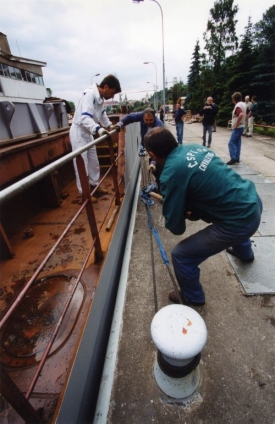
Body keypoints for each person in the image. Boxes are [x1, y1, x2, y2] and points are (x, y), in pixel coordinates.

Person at [143, 127, 262, 306]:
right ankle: (245, 253)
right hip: (252, 200)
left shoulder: (170, 174)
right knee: (226, 210)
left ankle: (192, 296)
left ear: (152, 153)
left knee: (181, 255)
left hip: (240, 221)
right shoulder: (195, 148)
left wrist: (175, 207)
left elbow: (176, 227)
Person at [70, 74, 121, 202]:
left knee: (94, 162)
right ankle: (84, 194)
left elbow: (102, 116)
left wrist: (110, 126)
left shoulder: (100, 99)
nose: (112, 96)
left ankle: (94, 186)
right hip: (79, 132)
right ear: (106, 86)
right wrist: (98, 129)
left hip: (88, 133)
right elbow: (85, 118)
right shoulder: (89, 96)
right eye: (113, 93)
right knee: (82, 164)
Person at [115, 108, 163, 187]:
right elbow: (130, 117)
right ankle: (151, 181)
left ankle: (160, 186)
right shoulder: (141, 116)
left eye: (150, 120)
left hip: (155, 146)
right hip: (145, 144)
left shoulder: (159, 126)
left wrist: (153, 162)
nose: (148, 122)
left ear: (154, 117)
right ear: (143, 117)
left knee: (157, 168)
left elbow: (159, 147)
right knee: (147, 163)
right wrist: (120, 124)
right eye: (146, 120)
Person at [227, 92, 246, 165]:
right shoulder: (243, 104)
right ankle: (237, 158)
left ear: (234, 99)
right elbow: (249, 111)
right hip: (242, 126)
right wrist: (244, 120)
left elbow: (240, 114)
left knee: (231, 143)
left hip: (238, 127)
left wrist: (236, 124)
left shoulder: (238, 106)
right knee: (238, 142)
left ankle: (233, 158)